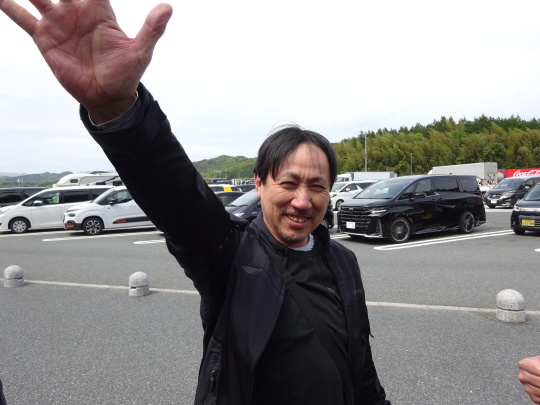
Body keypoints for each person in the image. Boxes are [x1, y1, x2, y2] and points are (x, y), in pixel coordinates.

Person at [0, 1, 392, 404]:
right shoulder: (230, 253)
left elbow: (361, 368)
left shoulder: (343, 261)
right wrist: (117, 109)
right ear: (259, 184)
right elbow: (177, 197)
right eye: (288, 183)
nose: (303, 201)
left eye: (317, 187)